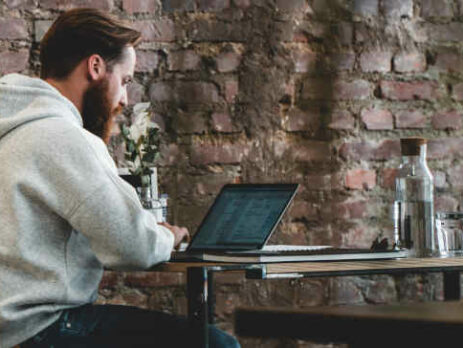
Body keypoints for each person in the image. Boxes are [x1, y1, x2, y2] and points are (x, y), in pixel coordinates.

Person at [0, 8, 240, 348]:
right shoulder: (64, 138)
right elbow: (133, 246)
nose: (125, 99)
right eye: (125, 81)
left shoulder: (12, 126)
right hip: (40, 329)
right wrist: (166, 236)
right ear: (95, 67)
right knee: (216, 345)